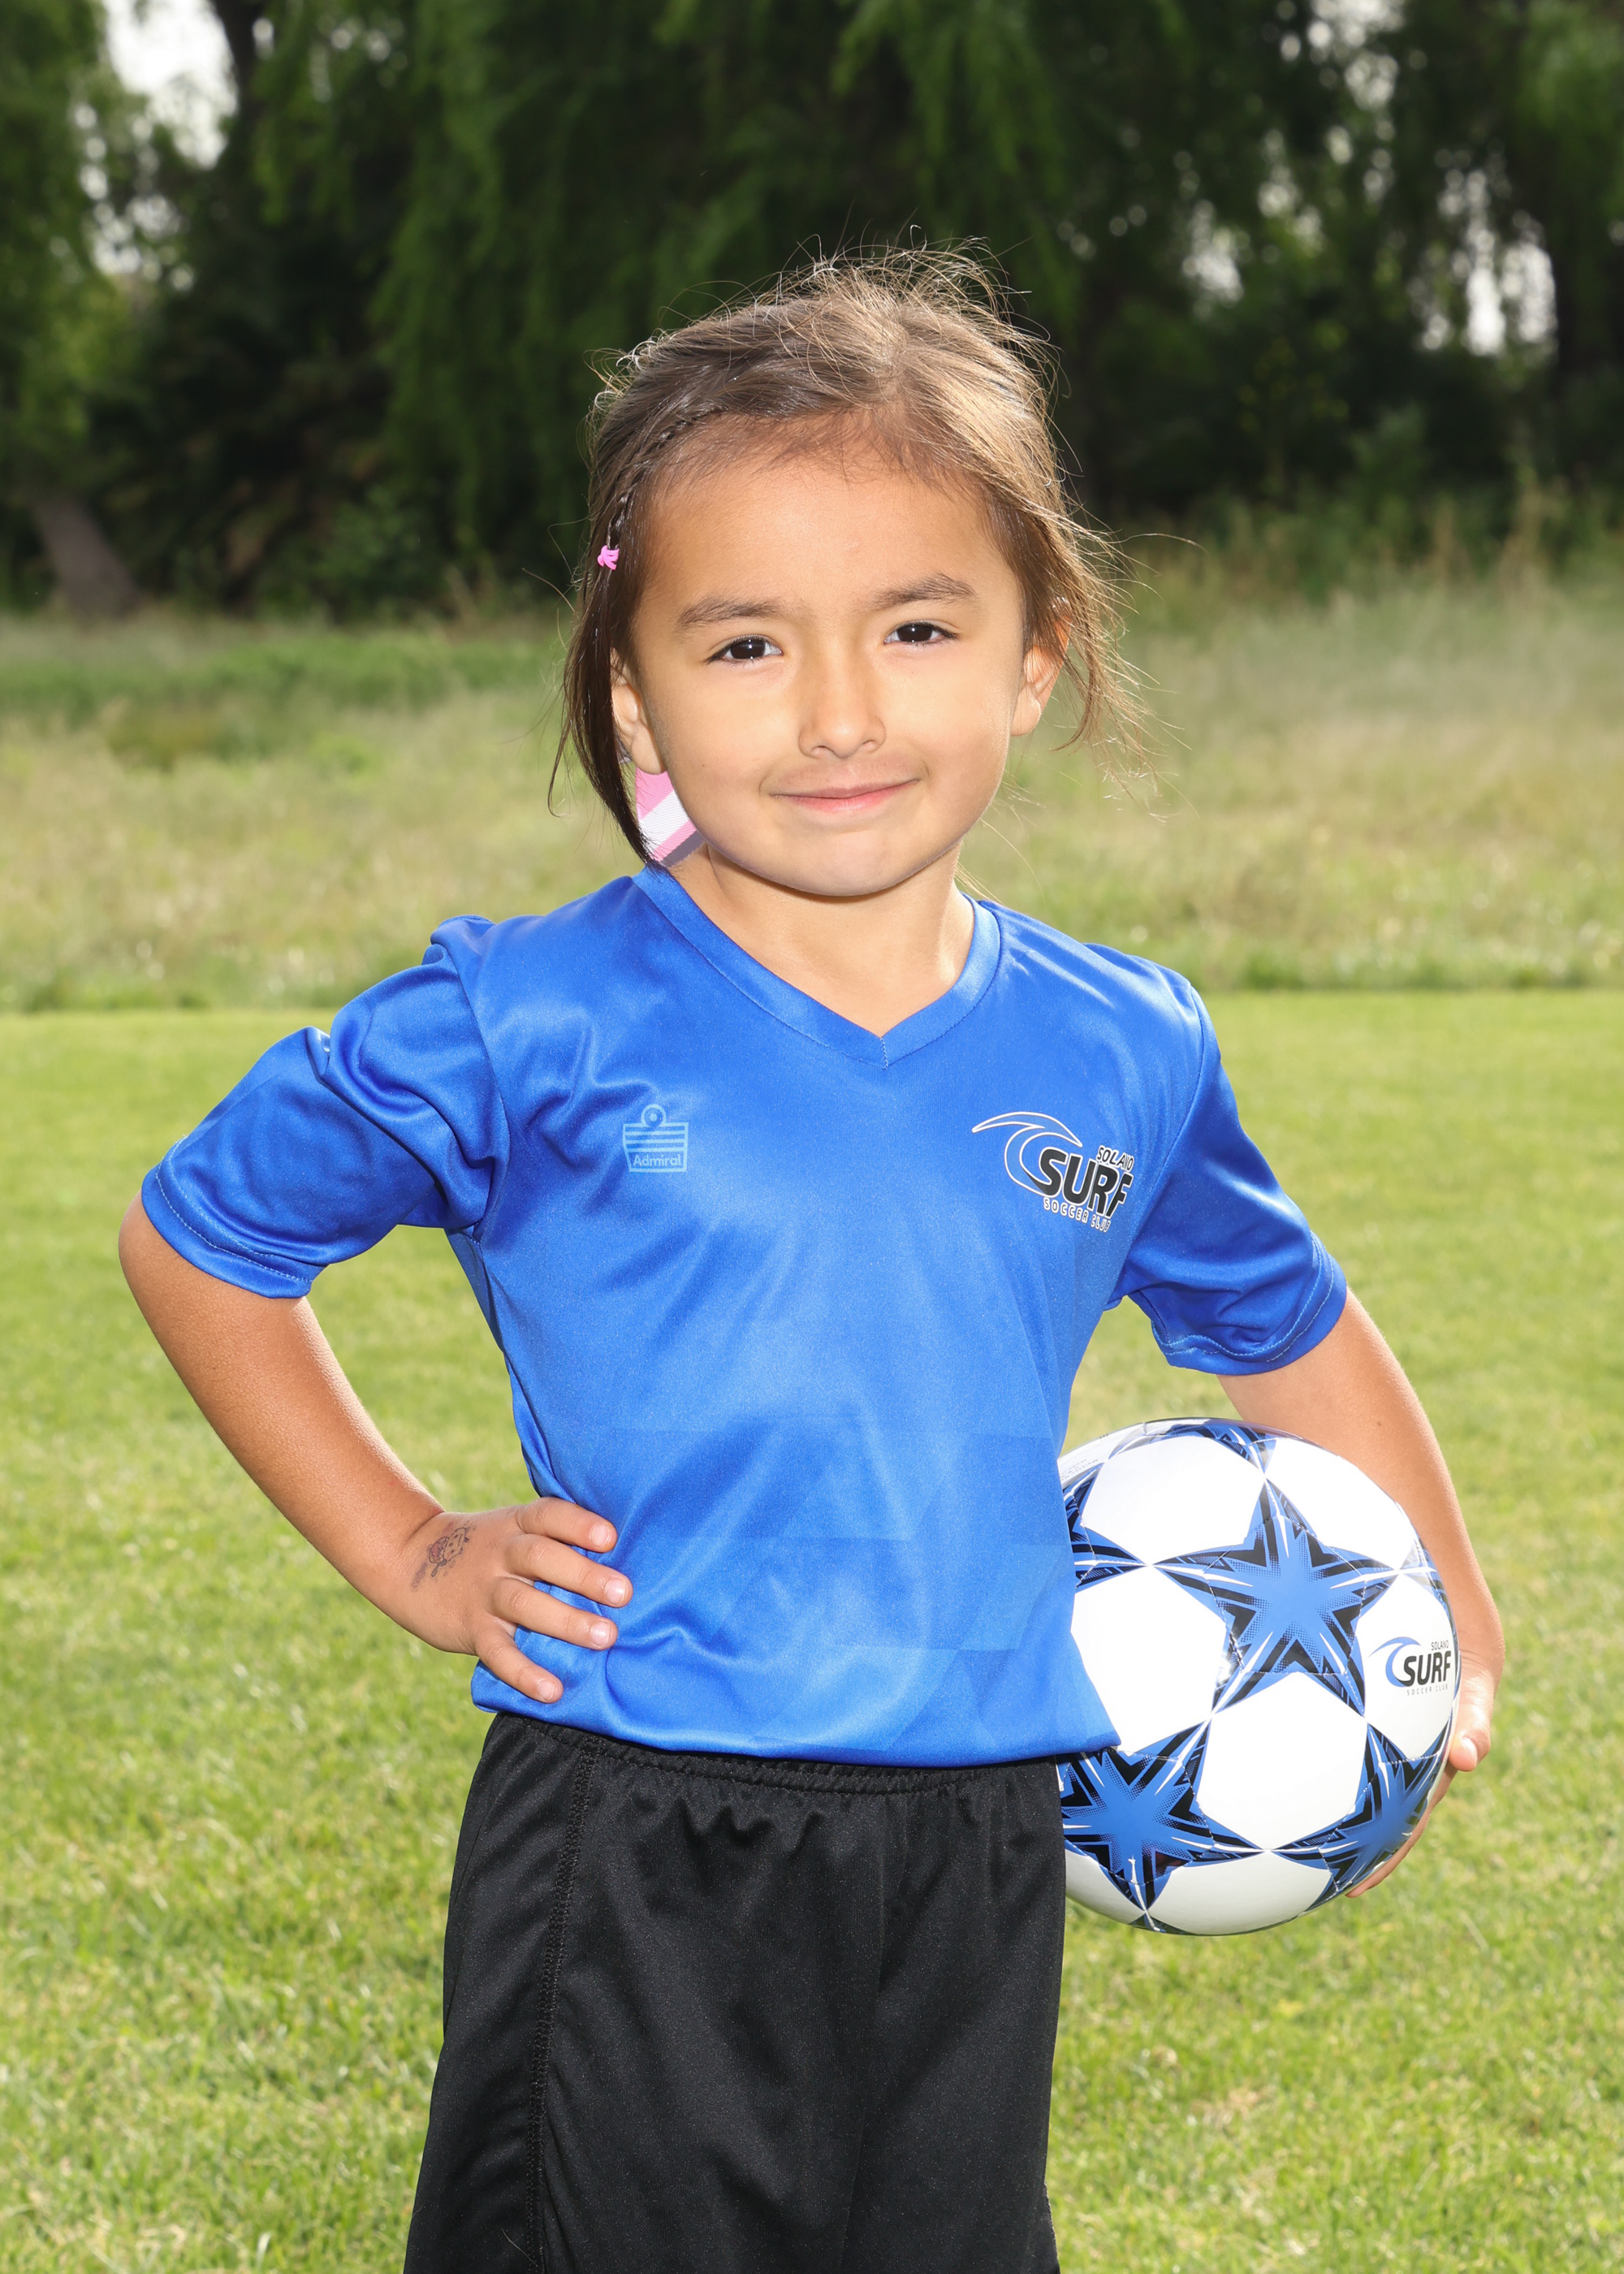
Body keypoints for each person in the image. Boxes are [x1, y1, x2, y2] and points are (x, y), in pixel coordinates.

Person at [119, 251, 1503, 2274]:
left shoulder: (1123, 1043)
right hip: (636, 1831)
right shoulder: (528, 1017)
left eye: (918, 626)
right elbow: (202, 1235)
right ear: (635, 687)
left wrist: (1436, 1622)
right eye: (748, 641)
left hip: (978, 1841)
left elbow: (1279, 1318)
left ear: (1034, 653)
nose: (841, 711)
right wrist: (412, 1547)